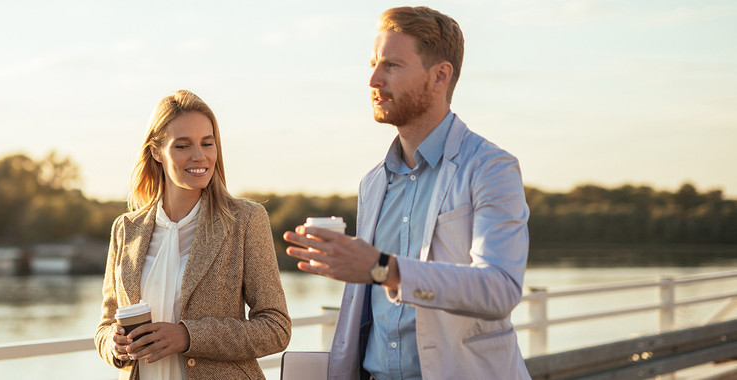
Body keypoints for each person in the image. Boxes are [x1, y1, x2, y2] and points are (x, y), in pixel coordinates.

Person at [283, 6, 530, 380]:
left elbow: (499, 290)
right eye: (373, 64)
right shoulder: (373, 183)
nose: (373, 80)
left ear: (439, 76)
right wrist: (351, 265)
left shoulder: (491, 168)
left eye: (391, 66)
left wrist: (384, 269)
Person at [95, 89, 291, 379]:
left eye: (207, 143)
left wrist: (189, 337)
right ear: (156, 152)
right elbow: (106, 324)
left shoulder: (245, 221)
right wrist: (113, 345)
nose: (199, 156)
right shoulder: (126, 229)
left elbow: (276, 328)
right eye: (183, 146)